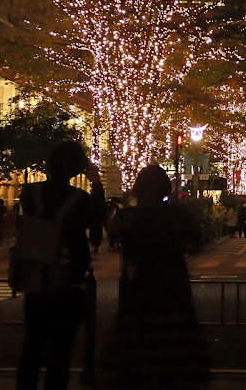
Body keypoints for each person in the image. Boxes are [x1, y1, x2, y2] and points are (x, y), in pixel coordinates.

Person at [105, 164, 209, 388]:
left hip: (138, 291)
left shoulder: (127, 218)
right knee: (175, 355)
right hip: (173, 289)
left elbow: (112, 235)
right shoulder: (177, 216)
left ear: (138, 189)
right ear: (165, 189)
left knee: (137, 354)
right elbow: (197, 242)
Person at [16, 140, 105, 390]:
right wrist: (95, 180)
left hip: (36, 277)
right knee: (60, 350)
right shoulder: (80, 200)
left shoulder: (29, 193)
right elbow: (97, 215)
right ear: (79, 169)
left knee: (32, 345)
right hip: (69, 279)